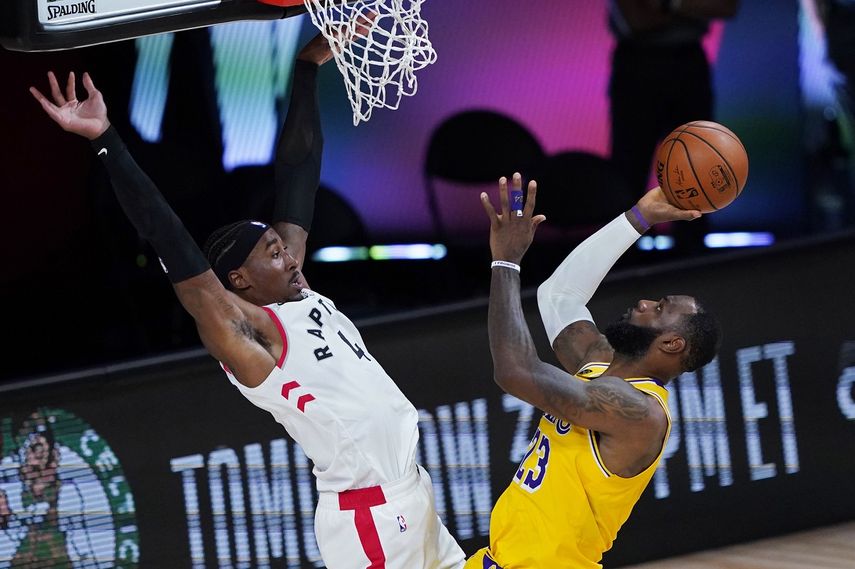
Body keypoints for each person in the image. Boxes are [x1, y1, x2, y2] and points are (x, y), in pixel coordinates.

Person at [29, 31, 465, 569]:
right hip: (370, 517)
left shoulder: (300, 293)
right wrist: (106, 140)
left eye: (285, 246)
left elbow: (299, 170)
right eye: (275, 253)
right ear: (239, 279)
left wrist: (306, 67)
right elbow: (171, 240)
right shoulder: (250, 331)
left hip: (412, 494)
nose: (290, 257)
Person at [466, 174, 721, 568]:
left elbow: (514, 371)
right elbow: (559, 296)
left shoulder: (641, 412)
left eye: (660, 308)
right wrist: (639, 217)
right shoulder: (598, 361)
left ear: (672, 343)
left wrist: (505, 262)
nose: (644, 302)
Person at [608, 0, 740, 251]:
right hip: (638, 64)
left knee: (697, 169)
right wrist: (690, 8)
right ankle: (623, 265)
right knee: (629, 172)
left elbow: (726, 7)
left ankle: (691, 262)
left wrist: (667, 4)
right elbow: (638, 19)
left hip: (689, 64)